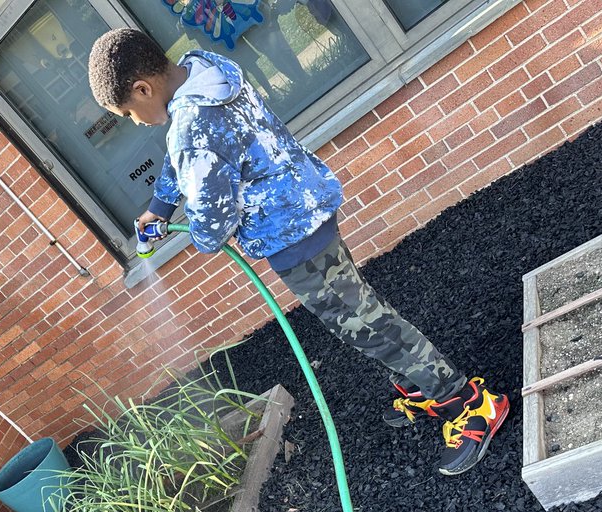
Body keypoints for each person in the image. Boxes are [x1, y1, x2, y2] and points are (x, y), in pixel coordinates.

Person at [87, 28, 509, 476]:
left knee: (366, 324)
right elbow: (188, 157)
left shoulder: (193, 127)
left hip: (292, 237)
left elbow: (212, 226)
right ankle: (422, 383)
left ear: (143, 89)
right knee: (361, 312)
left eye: (129, 113)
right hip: (306, 205)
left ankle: (467, 403)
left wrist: (193, 229)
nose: (136, 122)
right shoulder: (205, 70)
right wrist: (160, 205)